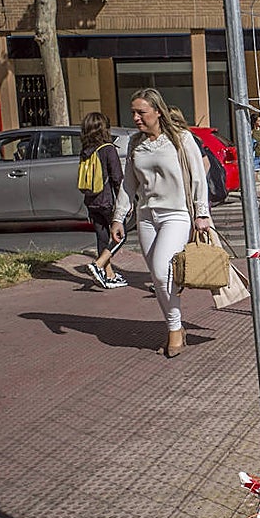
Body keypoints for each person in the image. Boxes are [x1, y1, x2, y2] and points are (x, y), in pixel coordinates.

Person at [110, 88, 212, 358]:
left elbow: (198, 177)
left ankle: (175, 330)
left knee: (160, 269)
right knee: (158, 278)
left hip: (176, 214)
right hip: (146, 217)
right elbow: (128, 183)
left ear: (157, 111)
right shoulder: (135, 144)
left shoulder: (181, 138)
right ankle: (174, 327)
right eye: (133, 112)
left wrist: (202, 213)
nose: (136, 118)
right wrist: (119, 216)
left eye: (141, 112)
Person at [81, 112, 127, 290]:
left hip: (91, 200)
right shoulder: (108, 149)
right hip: (107, 200)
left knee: (102, 237)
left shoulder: (85, 150)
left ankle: (109, 275)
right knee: (119, 236)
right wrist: (123, 203)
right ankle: (99, 266)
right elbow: (117, 178)